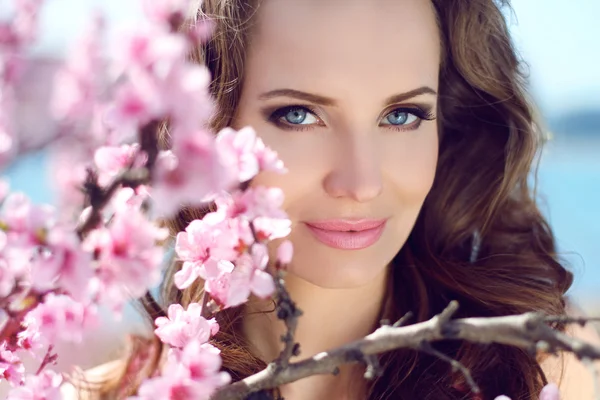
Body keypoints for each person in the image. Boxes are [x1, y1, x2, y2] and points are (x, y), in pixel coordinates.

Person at [62, 0, 600, 399]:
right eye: (297, 115)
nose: (361, 182)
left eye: (402, 115)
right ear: (198, 131)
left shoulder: (547, 381)